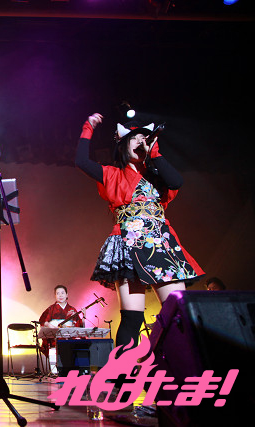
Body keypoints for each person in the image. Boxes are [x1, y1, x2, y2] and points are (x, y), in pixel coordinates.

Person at [75, 113, 204, 353]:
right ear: (123, 145)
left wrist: (154, 152)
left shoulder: (157, 176)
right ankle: (123, 372)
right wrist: (88, 127)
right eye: (134, 138)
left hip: (160, 244)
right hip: (127, 244)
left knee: (178, 314)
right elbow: (82, 161)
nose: (140, 141)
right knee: (132, 318)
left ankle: (175, 366)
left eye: (145, 138)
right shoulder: (112, 174)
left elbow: (176, 182)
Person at [38, 285, 83, 356]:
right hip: (54, 340)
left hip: (69, 339)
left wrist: (84, 316)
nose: (60, 295)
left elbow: (79, 324)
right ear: (55, 296)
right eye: (58, 293)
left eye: (62, 293)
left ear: (67, 295)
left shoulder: (72, 309)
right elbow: (43, 321)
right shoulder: (51, 309)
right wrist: (53, 327)